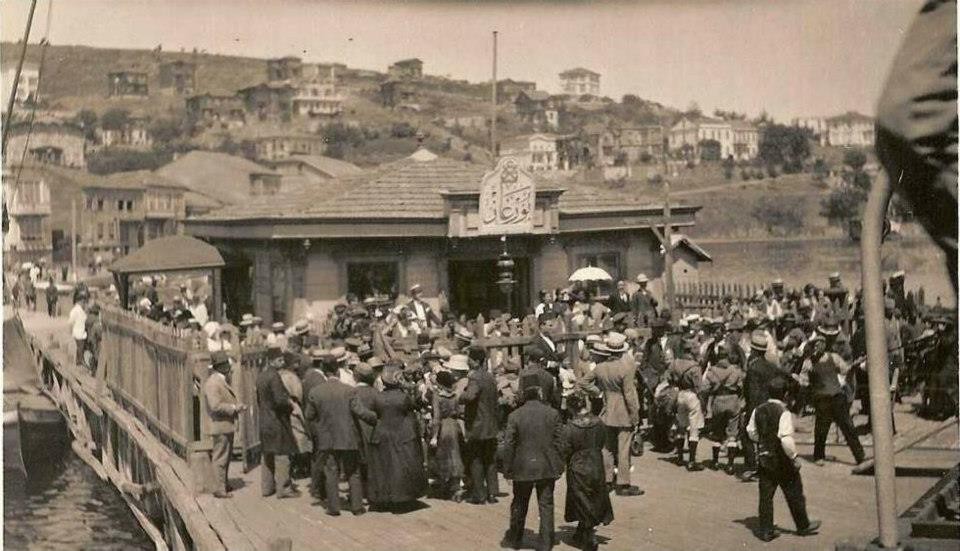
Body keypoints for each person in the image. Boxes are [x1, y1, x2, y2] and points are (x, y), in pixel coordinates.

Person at [747, 378, 822, 542]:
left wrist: (762, 440)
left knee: (766, 495)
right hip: (782, 460)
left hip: (765, 457)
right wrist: (794, 457)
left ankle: (766, 529)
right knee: (794, 492)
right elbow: (786, 439)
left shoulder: (758, 410)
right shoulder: (784, 413)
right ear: (786, 395)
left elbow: (751, 431)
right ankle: (803, 525)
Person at [500, 383, 565, 551]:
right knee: (546, 504)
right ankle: (545, 543)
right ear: (539, 393)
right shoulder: (552, 414)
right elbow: (560, 442)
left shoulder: (515, 416)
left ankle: (515, 538)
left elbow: (509, 444)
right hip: (546, 466)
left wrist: (507, 468)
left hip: (522, 466)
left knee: (520, 502)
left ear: (524, 395)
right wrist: (559, 465)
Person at [579, 332, 643, 495]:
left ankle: (607, 480)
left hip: (607, 410)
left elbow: (583, 383)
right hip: (623, 412)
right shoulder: (626, 368)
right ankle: (623, 483)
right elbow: (629, 395)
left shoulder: (601, 368)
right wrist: (635, 416)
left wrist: (598, 392)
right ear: (622, 350)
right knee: (623, 449)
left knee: (607, 448)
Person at [358, 364, 427, 509]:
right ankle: (403, 497)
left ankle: (383, 497)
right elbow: (411, 410)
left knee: (383, 467)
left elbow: (372, 412)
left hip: (382, 433)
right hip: (401, 433)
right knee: (401, 465)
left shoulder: (378, 397)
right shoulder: (403, 397)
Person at [304, 355, 365, 516]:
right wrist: (373, 417)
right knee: (353, 471)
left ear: (324, 372)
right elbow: (359, 411)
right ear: (338, 371)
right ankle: (357, 507)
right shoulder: (350, 390)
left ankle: (333, 507)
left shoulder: (316, 392)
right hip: (348, 436)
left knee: (331, 471)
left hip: (327, 437)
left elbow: (309, 415)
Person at [561, 392, 613, 551]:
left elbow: (565, 449)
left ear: (571, 407)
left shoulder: (570, 427)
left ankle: (589, 536)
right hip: (596, 463)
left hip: (578, 465)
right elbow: (603, 440)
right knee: (594, 497)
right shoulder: (599, 422)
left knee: (581, 498)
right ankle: (582, 530)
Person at [806, 334, 866, 467]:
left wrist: (854, 365)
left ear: (824, 345)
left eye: (820, 343)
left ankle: (860, 456)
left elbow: (845, 370)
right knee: (821, 428)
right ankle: (818, 456)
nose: (818, 346)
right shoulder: (809, 361)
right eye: (815, 344)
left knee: (848, 426)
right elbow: (804, 379)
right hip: (821, 398)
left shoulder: (833, 357)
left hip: (837, 396)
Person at [740, 330, 789, 480]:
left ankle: (753, 467)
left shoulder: (754, 368)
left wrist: (750, 410)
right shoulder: (771, 365)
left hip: (757, 405)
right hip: (772, 403)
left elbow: (753, 391)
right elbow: (785, 378)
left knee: (747, 434)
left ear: (754, 350)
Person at [458, 347, 501, 505]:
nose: (468, 361)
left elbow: (470, 396)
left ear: (476, 361)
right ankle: (492, 493)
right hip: (491, 424)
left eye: (469, 359)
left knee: (476, 460)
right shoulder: (490, 377)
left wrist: (460, 396)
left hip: (478, 425)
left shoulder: (475, 378)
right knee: (490, 459)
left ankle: (479, 494)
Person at [203, 351, 246, 498]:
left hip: (225, 425)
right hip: (220, 425)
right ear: (220, 366)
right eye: (226, 364)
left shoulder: (219, 380)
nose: (228, 367)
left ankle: (223, 484)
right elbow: (215, 406)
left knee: (225, 457)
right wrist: (234, 408)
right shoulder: (213, 383)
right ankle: (219, 488)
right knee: (220, 457)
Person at [256, 353, 300, 499]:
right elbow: (280, 400)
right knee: (282, 453)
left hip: (264, 420)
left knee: (267, 454)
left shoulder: (261, 376)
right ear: (271, 360)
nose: (282, 362)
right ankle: (284, 488)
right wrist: (290, 407)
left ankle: (267, 487)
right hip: (277, 420)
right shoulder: (274, 376)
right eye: (279, 359)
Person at [702, 343, 743, 473]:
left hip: (718, 400)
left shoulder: (712, 371)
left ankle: (715, 462)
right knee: (732, 434)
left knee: (717, 433)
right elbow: (741, 386)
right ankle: (730, 465)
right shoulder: (735, 370)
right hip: (732, 400)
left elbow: (705, 389)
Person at [429, 369, 465, 502]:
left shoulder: (437, 396)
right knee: (455, 455)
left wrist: (434, 436)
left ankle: (446, 487)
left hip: (443, 427)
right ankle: (456, 487)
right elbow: (459, 411)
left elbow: (436, 417)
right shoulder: (455, 395)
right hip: (454, 426)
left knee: (443, 456)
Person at [68, 295, 88, 369]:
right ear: (80, 302)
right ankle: (80, 362)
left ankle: (78, 362)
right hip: (78, 332)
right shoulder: (76, 310)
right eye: (83, 302)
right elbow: (70, 322)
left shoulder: (79, 310)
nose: (84, 304)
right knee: (80, 348)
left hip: (80, 331)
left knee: (80, 348)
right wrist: (70, 331)